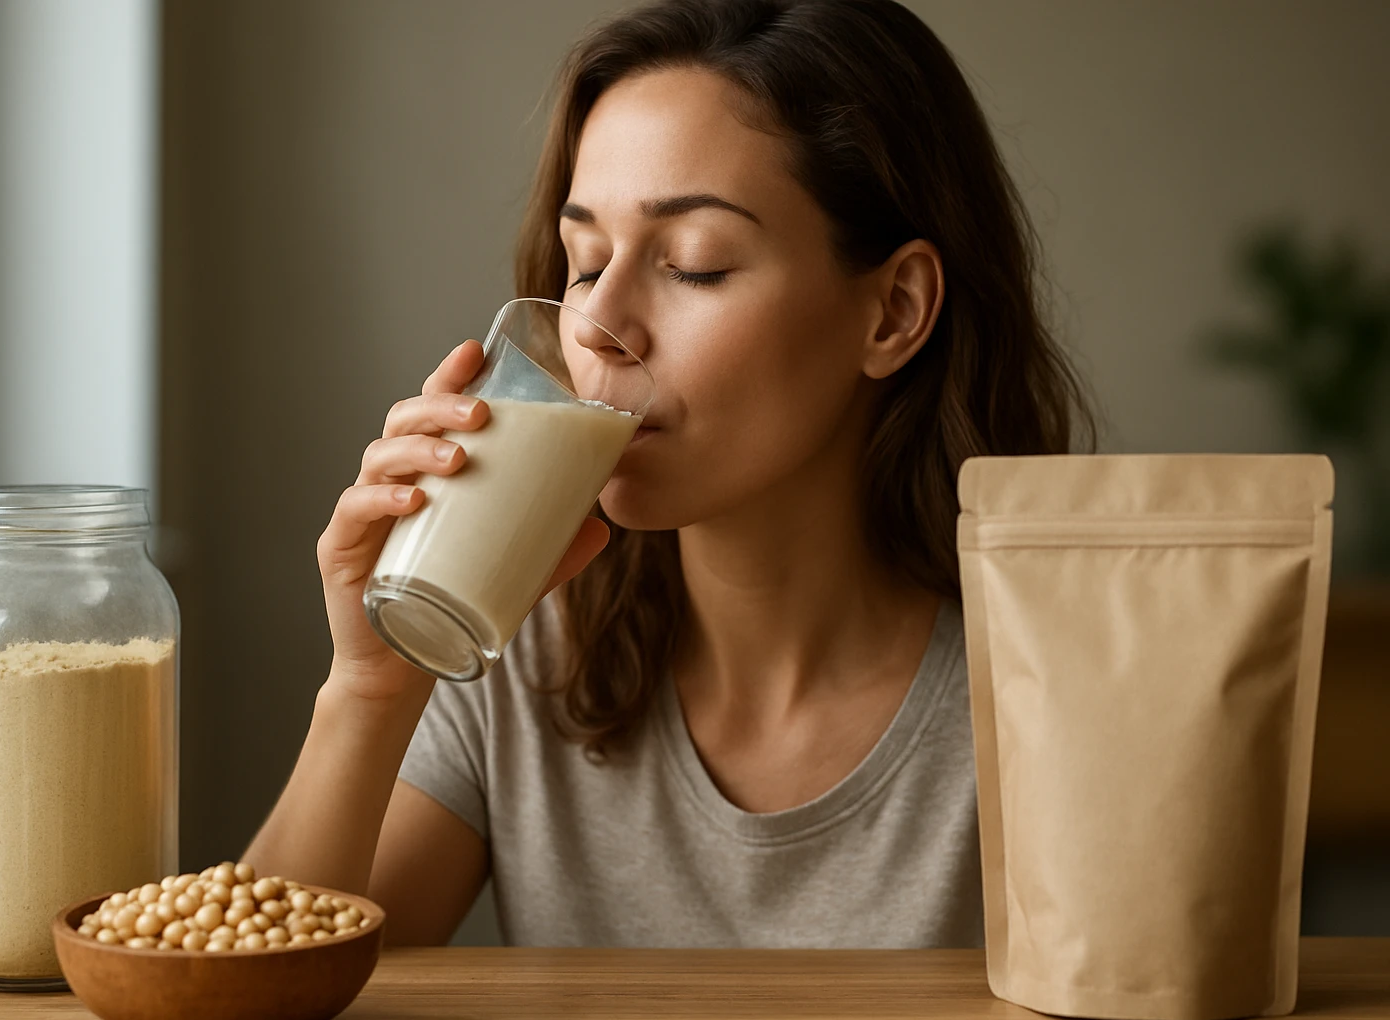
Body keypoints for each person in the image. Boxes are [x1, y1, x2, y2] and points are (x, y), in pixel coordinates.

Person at [245, 0, 1092, 948]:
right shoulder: (518, 643)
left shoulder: (1053, 690)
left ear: (893, 311)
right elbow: (255, 982)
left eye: (694, 265)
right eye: (585, 262)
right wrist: (369, 692)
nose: (603, 326)